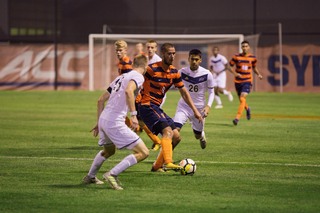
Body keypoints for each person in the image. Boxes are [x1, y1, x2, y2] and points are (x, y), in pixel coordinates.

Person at [82, 54, 150, 190]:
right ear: (146, 66)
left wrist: (99, 122)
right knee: (143, 152)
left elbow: (100, 100)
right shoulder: (138, 76)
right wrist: (134, 115)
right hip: (114, 121)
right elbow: (129, 91)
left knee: (108, 151)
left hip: (104, 119)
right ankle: (112, 174)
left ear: (132, 64)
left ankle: (90, 176)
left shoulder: (120, 77)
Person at [138, 43, 203, 171]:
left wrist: (195, 111)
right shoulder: (151, 70)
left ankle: (156, 166)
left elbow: (184, 92)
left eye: (174, 53)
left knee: (176, 137)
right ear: (163, 54)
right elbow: (135, 81)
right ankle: (168, 162)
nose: (172, 56)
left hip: (155, 106)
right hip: (146, 105)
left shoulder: (174, 72)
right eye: (169, 53)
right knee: (167, 132)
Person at [173, 49, 215, 149]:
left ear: (200, 60)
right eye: (192, 59)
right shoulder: (182, 72)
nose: (194, 62)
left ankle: (201, 136)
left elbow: (211, 92)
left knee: (197, 135)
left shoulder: (207, 74)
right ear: (188, 59)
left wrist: (208, 106)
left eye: (196, 59)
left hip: (199, 108)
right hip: (184, 106)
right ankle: (166, 158)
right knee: (175, 131)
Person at [229, 40, 263, 126]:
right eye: (243, 46)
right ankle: (247, 109)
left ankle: (237, 118)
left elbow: (254, 68)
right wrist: (235, 74)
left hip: (247, 80)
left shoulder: (253, 58)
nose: (244, 48)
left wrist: (258, 74)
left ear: (249, 47)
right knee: (242, 100)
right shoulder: (236, 57)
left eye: (246, 46)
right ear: (241, 47)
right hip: (237, 81)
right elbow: (229, 66)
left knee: (242, 98)